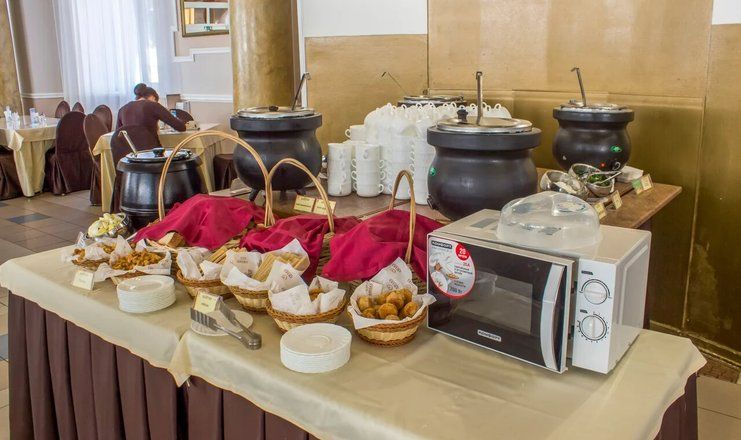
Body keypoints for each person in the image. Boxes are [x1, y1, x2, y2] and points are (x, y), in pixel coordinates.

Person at [115, 83, 186, 137]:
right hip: (151, 150)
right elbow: (181, 127)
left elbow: (117, 135)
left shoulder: (122, 109)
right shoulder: (153, 105)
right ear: (153, 97)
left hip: (129, 151)